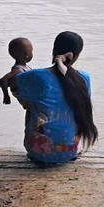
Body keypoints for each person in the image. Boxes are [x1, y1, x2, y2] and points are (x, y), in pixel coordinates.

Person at [14, 31, 97, 164]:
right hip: (70, 150)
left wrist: (18, 67)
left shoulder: (37, 76)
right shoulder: (84, 78)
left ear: (54, 50)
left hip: (38, 152)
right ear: (76, 56)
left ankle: (35, 151)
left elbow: (14, 84)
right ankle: (69, 148)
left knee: (32, 105)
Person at [0, 37, 33, 105]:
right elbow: (3, 80)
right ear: (27, 54)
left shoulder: (26, 67)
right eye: (31, 51)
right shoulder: (18, 69)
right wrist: (6, 95)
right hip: (26, 99)